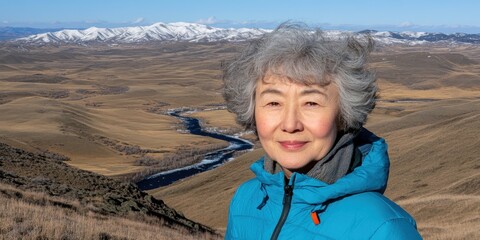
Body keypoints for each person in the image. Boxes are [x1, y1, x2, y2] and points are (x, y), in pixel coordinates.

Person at [222, 23, 422, 240]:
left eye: (311, 103)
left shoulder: (383, 228)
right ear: (251, 111)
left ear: (343, 116)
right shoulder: (246, 199)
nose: (290, 124)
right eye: (273, 103)